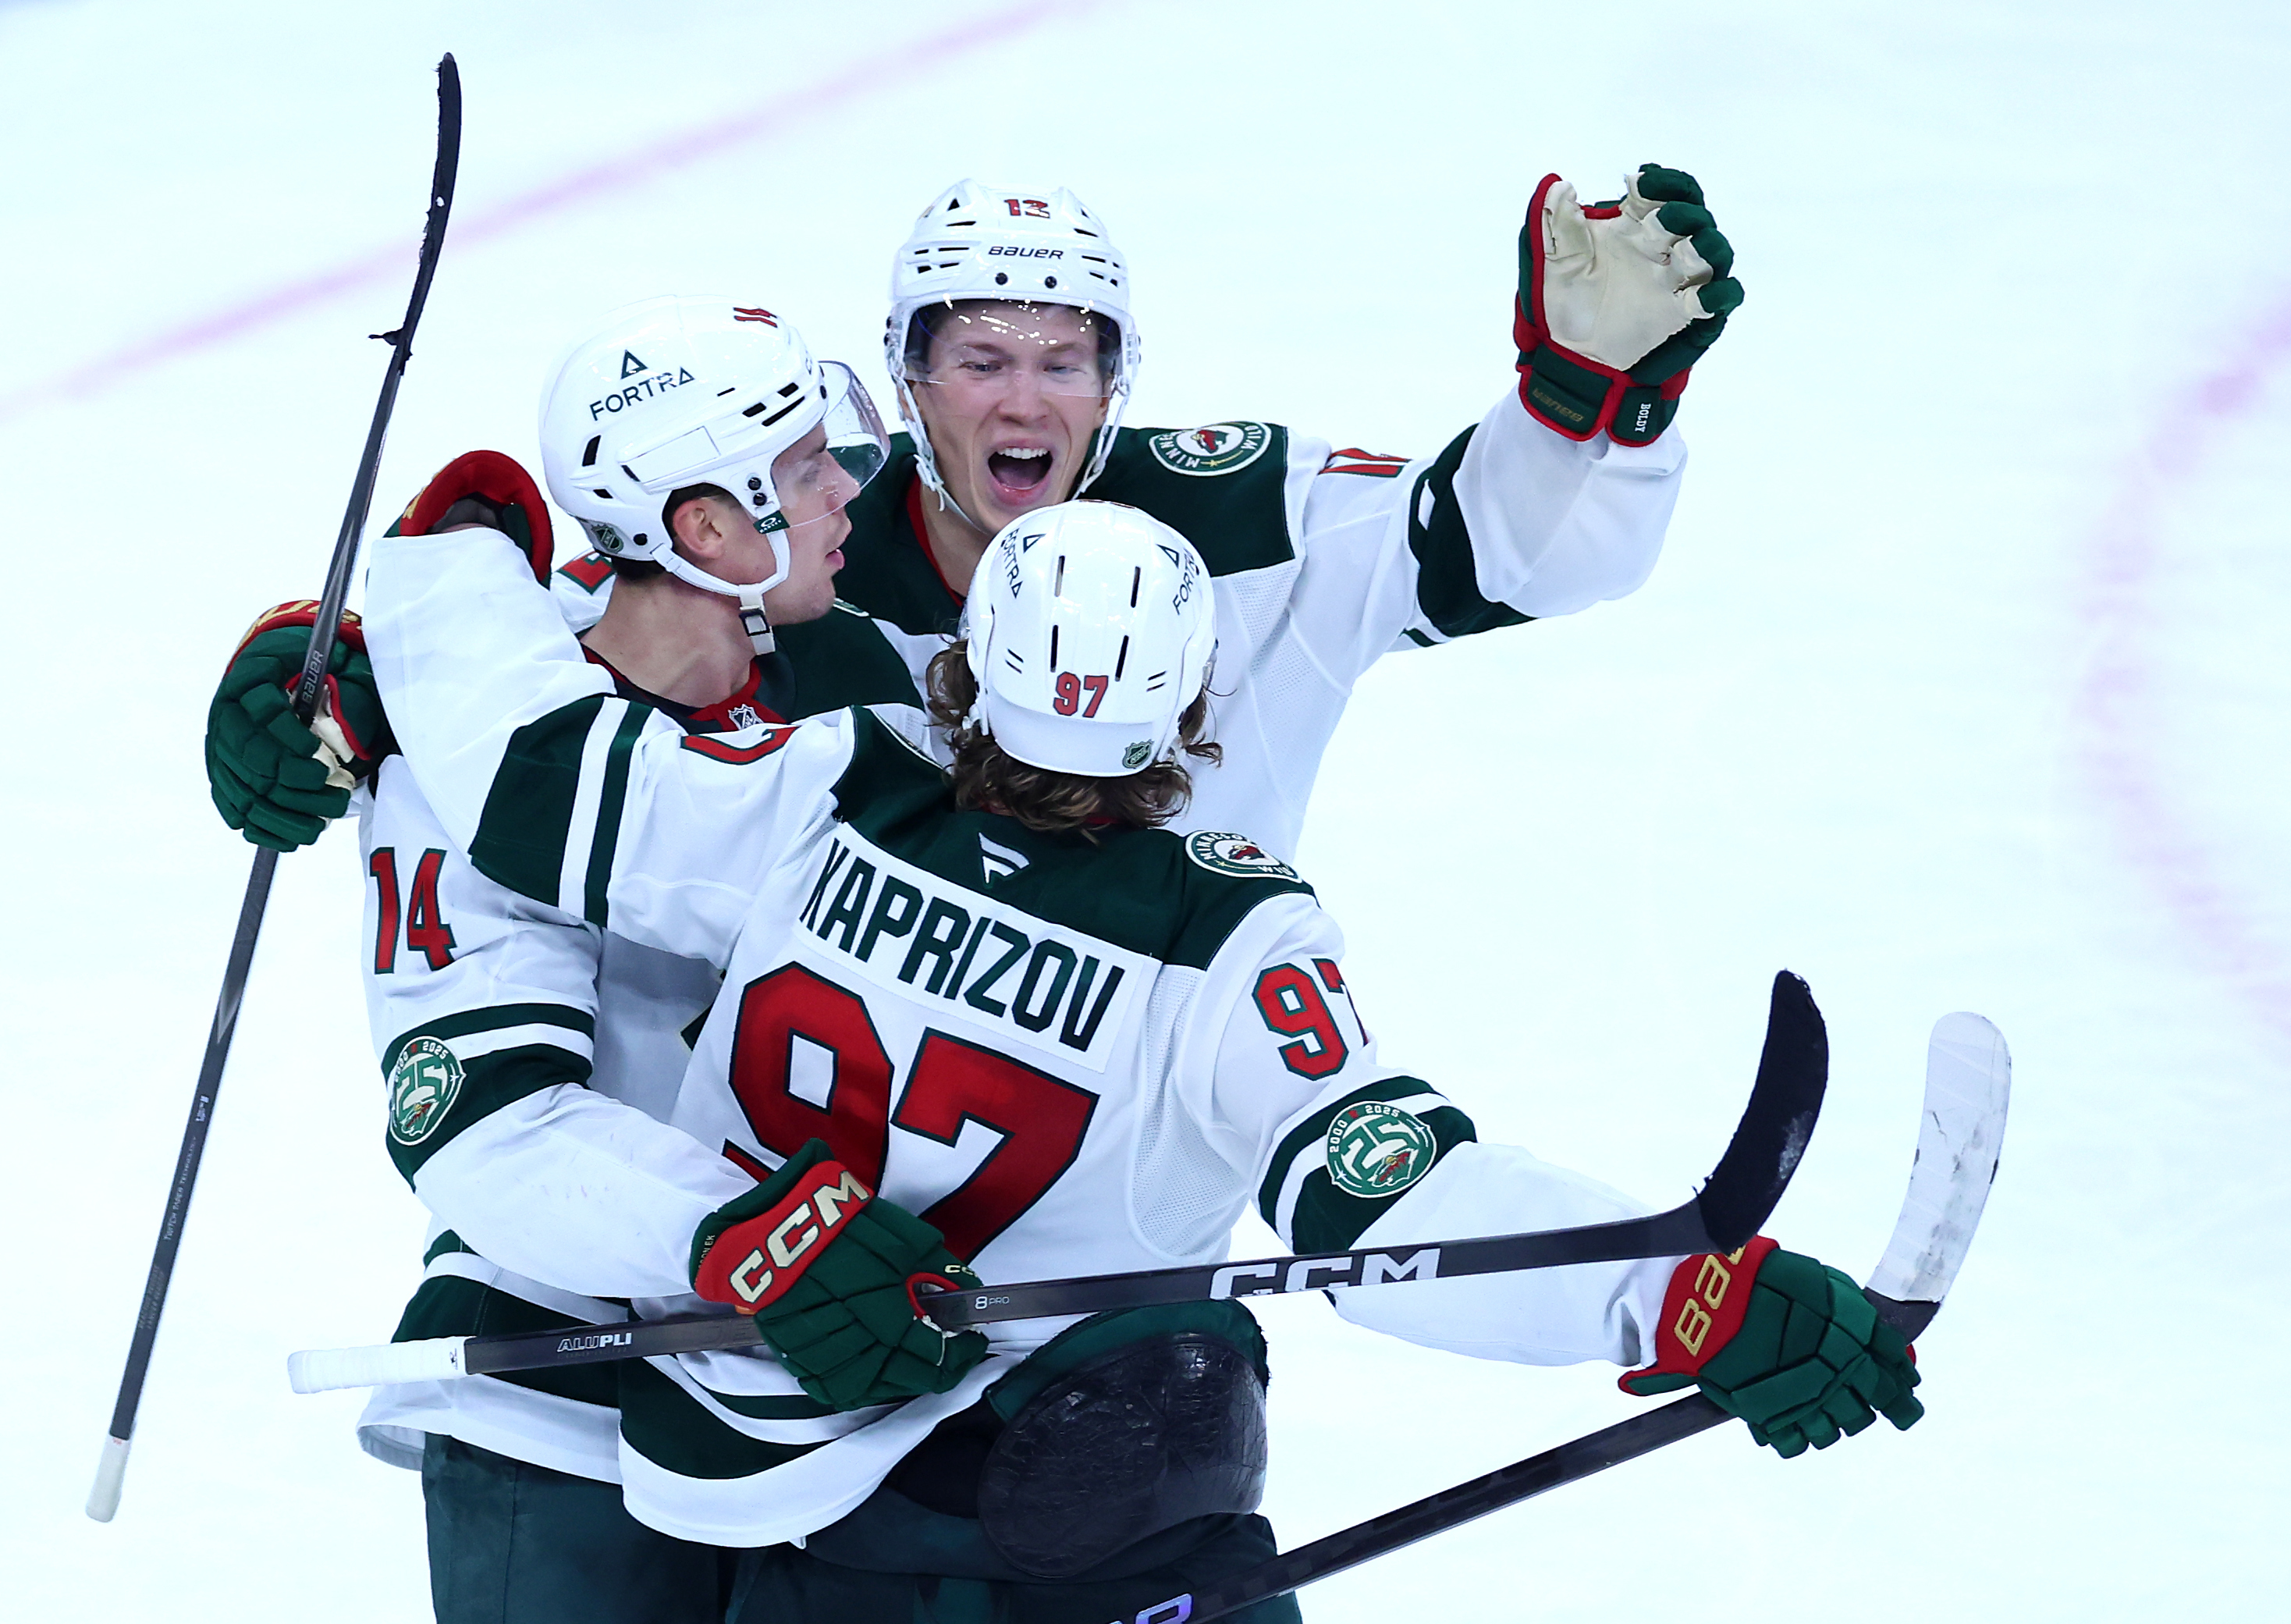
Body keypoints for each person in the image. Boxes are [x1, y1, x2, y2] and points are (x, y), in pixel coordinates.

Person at [357, 497, 1920, 1622]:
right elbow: (1388, 1198)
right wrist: (1669, 1286)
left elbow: (528, 766)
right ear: (1185, 703)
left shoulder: (821, 782)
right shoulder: (1223, 938)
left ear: (970, 664)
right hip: (1051, 1537)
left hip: (766, 1479)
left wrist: (426, 578)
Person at [211, 163, 1744, 866]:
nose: (1026, 402)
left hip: (1137, 1118)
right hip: (813, 1180)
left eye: (1064, 359)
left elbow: (1498, 552)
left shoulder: (1245, 513)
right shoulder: (797, 548)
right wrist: (342, 672)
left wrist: (1580, 405)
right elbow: (577, 639)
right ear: (906, 380)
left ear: (1116, 377)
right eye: (981, 357)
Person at [211, 295, 918, 1619]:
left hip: (818, 1379)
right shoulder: (451, 771)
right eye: (806, 467)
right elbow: (493, 1138)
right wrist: (748, 1240)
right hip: (560, 1403)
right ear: (707, 530)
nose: (847, 491)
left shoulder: (848, 677)